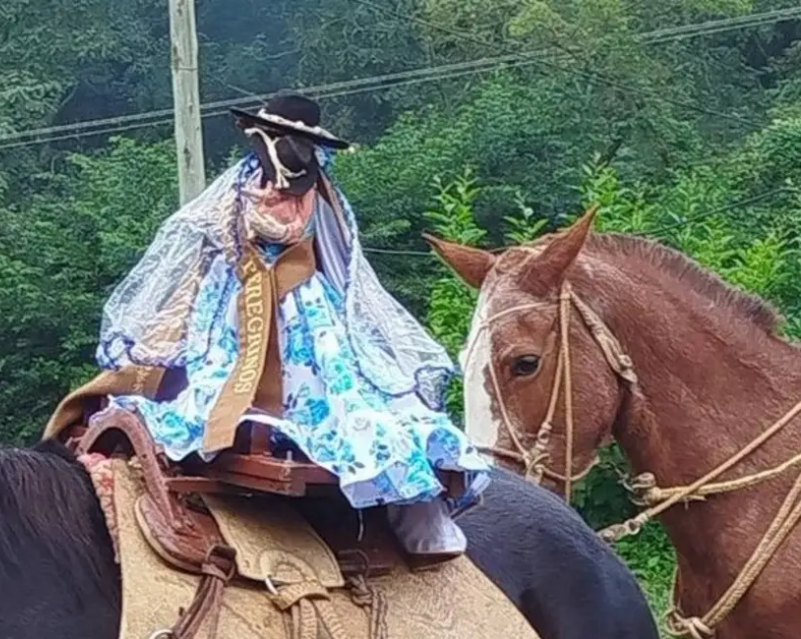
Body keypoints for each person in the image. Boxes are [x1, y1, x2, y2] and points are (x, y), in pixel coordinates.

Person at [46, 91, 491, 564]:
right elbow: (201, 243)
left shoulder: (322, 196)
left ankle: (407, 508)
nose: (280, 168)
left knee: (347, 396)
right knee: (210, 380)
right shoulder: (237, 187)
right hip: (234, 303)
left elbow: (339, 263)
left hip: (303, 305)